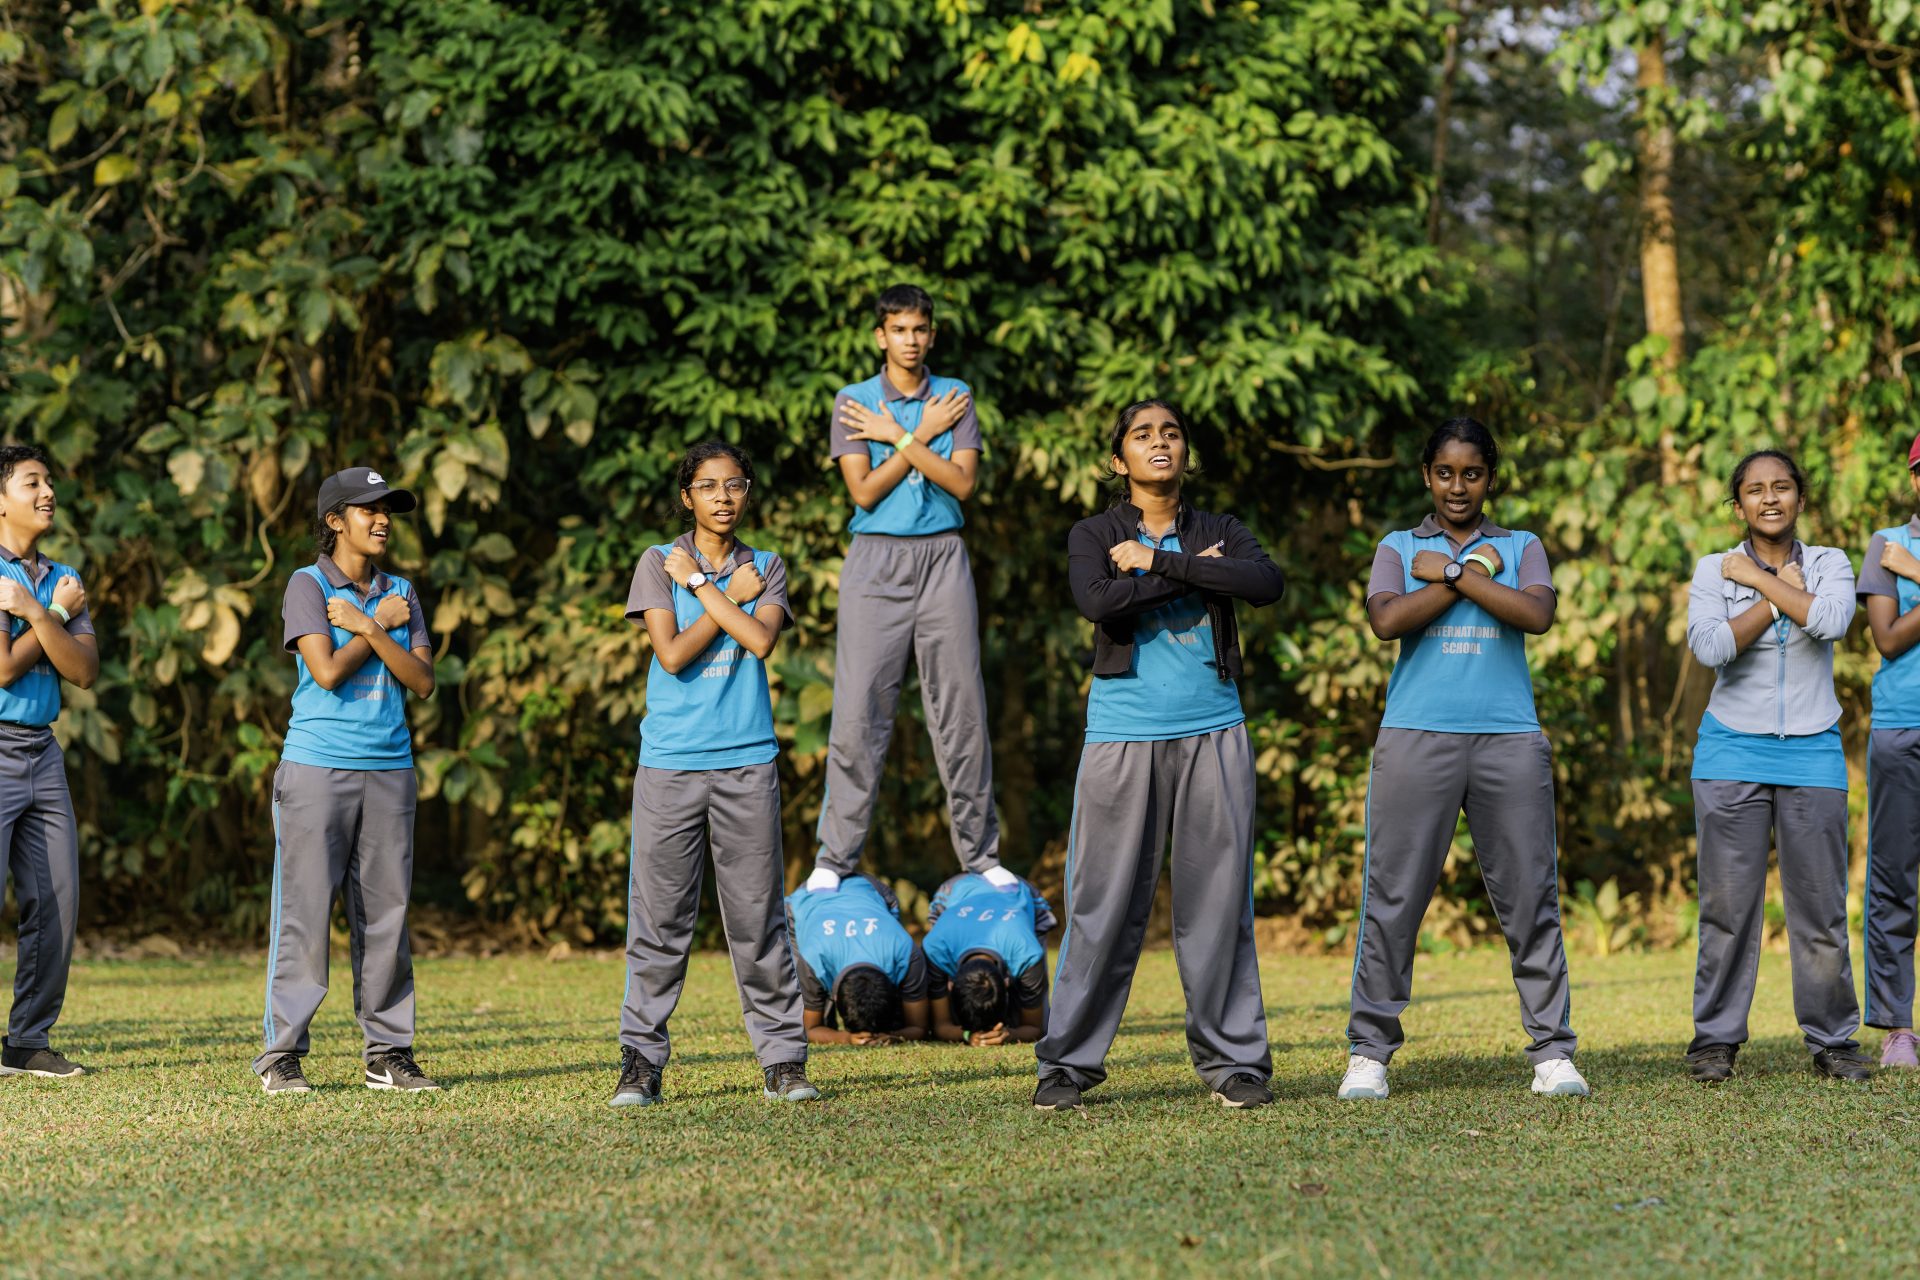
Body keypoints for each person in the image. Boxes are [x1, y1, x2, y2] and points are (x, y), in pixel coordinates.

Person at [1034, 399, 1285, 1112]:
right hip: (1122, 733)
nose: (1160, 443)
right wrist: (1189, 573)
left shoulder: (1221, 530)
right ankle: (1067, 1066)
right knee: (1101, 905)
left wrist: (1159, 561)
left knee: (1218, 904)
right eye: (1142, 436)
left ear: (1185, 452)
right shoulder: (1095, 532)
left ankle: (1235, 1062)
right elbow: (1099, 602)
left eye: (1170, 433)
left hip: (1216, 728)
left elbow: (1264, 583)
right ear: (1120, 460)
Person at [1341, 417, 1587, 1102]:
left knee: (1531, 896)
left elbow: (1535, 615)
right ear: (1427, 476)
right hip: (1416, 736)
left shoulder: (1522, 545)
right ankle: (1369, 1051)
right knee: (1392, 896)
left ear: (1490, 479)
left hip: (1509, 739)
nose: (1457, 486)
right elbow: (1388, 620)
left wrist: (1450, 573)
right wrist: (1473, 578)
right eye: (1445, 473)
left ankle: (1552, 1052)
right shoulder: (1396, 546)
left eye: (1471, 473)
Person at [614, 441, 817, 1107]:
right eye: (708, 487)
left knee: (758, 920)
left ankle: (784, 1062)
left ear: (747, 493)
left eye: (734, 485)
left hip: (746, 761)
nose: (723, 498)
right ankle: (641, 1065)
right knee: (660, 920)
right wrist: (724, 593)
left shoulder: (767, 566)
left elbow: (761, 642)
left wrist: (704, 586)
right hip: (670, 763)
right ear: (687, 497)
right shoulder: (657, 562)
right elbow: (670, 655)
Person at [808, 284, 1018, 893]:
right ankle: (834, 858)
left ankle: (980, 856)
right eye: (898, 329)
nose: (910, 339)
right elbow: (865, 492)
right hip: (875, 562)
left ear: (931, 334)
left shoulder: (954, 396)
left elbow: (961, 484)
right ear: (881, 336)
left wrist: (900, 435)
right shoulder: (853, 402)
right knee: (858, 713)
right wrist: (923, 435)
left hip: (944, 558)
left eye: (919, 329)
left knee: (960, 709)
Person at [1684, 449, 1868, 1083]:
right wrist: (1777, 592)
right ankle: (1715, 1041)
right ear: (1738, 505)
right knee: (1728, 908)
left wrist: (1761, 582)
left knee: (1819, 909)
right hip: (1730, 750)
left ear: (1799, 498)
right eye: (1756, 490)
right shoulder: (1714, 569)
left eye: (1782, 487)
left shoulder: (1831, 563)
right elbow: (1712, 647)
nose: (1770, 498)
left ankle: (1834, 1042)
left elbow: (1833, 619)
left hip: (1813, 748)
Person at [256, 468, 439, 1095]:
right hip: (317, 768)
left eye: (388, 509)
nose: (383, 519)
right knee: (303, 915)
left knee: (387, 916)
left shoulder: (401, 593)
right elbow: (327, 672)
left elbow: (421, 681)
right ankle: (281, 1055)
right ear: (336, 520)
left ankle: (387, 1052)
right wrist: (376, 628)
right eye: (369, 509)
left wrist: (368, 625)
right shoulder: (307, 585)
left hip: (389, 770)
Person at [0, 445, 98, 1082]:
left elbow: (83, 670)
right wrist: (56, 614)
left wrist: (39, 610)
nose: (48, 493)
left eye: (50, 483)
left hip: (43, 752)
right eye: (32, 482)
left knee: (58, 899)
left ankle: (26, 1042)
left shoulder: (62, 576)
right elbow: (3, 669)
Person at [1858, 431, 1920, 1069]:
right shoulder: (1887, 545)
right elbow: (1889, 639)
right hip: (1903, 727)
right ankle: (1898, 1027)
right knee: (1895, 878)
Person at [787, 873, 931, 1045]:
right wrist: (845, 1038)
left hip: (869, 889)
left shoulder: (907, 954)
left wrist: (894, 1034)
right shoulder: (812, 959)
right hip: (809, 896)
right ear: (836, 998)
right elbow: (809, 1029)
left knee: (898, 1021)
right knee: (821, 1016)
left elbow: (919, 1027)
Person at [923, 871, 1056, 1045]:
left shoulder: (1028, 955)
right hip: (956, 889)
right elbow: (940, 1025)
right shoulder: (934, 948)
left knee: (1046, 1024)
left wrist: (1010, 1034)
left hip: (1016, 889)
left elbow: (1034, 1028)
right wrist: (967, 1035)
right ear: (951, 983)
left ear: (1008, 983)